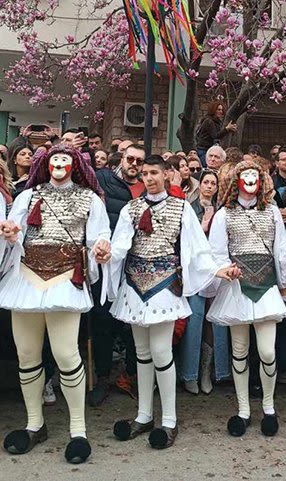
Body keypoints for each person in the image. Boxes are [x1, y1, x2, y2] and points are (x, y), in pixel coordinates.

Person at [108, 155, 239, 449]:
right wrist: (106, 254)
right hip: (135, 284)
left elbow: (197, 248)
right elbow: (120, 245)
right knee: (142, 352)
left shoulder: (181, 208)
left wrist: (216, 270)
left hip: (165, 284)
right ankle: (144, 415)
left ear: (166, 174)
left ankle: (169, 419)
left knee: (161, 351)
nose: (149, 178)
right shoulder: (131, 208)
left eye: (154, 172)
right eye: (145, 173)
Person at [0, 145, 111, 463]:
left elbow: (99, 235)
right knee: (27, 354)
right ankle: (34, 424)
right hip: (26, 277)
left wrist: (101, 248)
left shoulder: (90, 198)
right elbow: (14, 232)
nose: (59, 163)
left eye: (64, 159)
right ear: (46, 165)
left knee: (65, 353)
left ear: (75, 165)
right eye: (54, 159)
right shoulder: (27, 196)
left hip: (65, 278)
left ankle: (78, 429)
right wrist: (11, 234)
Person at [207, 159, 286, 437]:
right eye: (245, 175)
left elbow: (281, 248)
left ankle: (268, 406)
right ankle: (243, 409)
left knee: (267, 352)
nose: (250, 179)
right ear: (236, 180)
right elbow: (216, 250)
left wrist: (285, 280)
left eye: (255, 174)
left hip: (266, 285)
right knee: (240, 350)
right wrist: (225, 269)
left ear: (262, 179)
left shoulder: (272, 211)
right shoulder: (224, 214)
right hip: (237, 287)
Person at [89, 144, 146, 406]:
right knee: (102, 322)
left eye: (139, 161)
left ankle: (130, 375)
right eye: (130, 158)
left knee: (134, 324)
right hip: (106, 263)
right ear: (122, 159)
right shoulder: (103, 179)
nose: (134, 164)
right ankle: (102, 377)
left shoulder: (147, 188)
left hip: (136, 264)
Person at [180, 170, 230, 394]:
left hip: (217, 269)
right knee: (195, 319)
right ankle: (189, 373)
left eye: (213, 183)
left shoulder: (222, 211)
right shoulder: (189, 208)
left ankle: (208, 371)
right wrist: (203, 224)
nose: (209, 186)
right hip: (195, 270)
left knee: (215, 322)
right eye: (206, 182)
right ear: (199, 185)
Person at [195, 101, 237, 166]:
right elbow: (215, 136)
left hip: (209, 149)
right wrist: (227, 129)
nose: (221, 111)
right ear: (213, 110)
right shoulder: (209, 121)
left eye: (222, 110)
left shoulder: (217, 122)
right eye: (218, 109)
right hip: (203, 150)